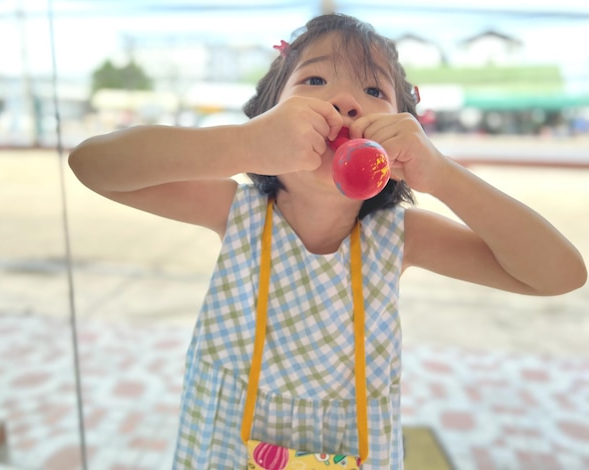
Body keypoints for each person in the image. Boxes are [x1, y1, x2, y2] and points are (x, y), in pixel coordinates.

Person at [68, 13, 586, 469]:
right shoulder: (235, 211)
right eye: (314, 79)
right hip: (221, 448)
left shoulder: (402, 238)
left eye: (374, 93)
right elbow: (93, 166)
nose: (344, 101)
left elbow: (560, 274)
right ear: (269, 117)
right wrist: (244, 145)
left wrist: (442, 175)